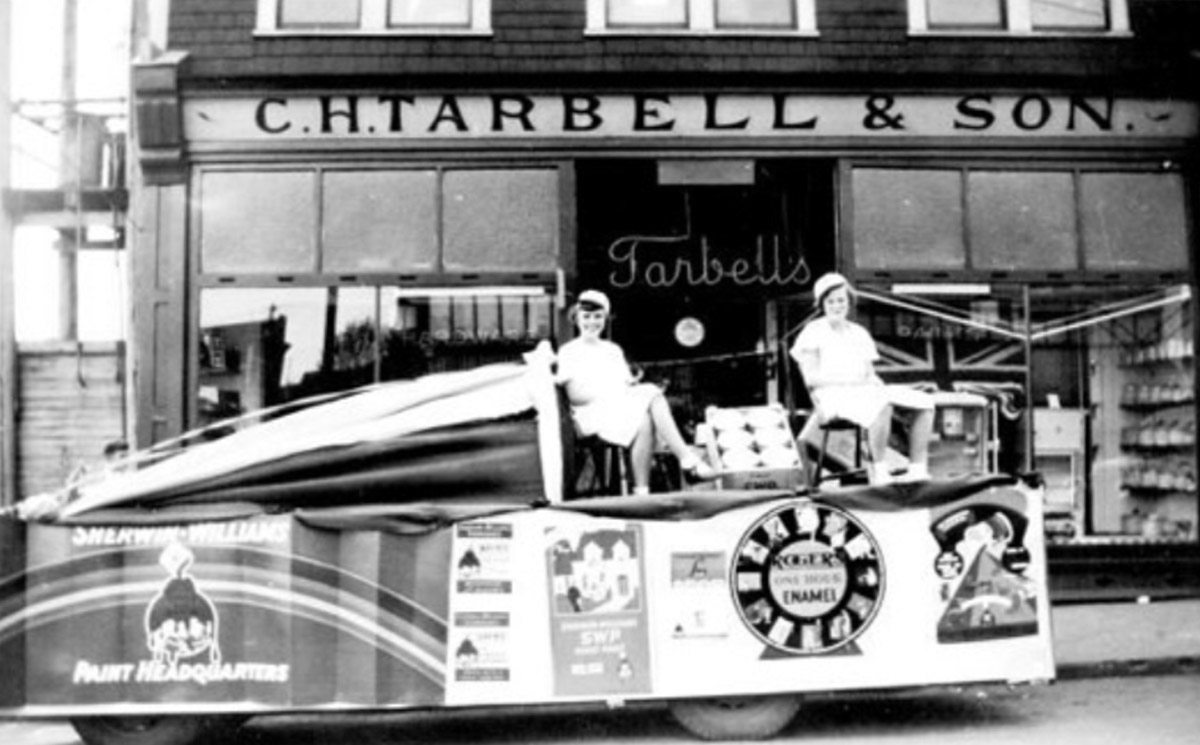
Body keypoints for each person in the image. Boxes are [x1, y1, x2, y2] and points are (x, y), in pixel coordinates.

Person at [553, 290, 716, 494]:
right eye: (586, 317)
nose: (592, 322)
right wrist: (610, 393)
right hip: (589, 417)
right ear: (576, 318)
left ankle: (642, 491)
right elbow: (575, 397)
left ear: (605, 319)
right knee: (650, 392)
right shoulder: (569, 351)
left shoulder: (613, 350)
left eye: (598, 317)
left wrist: (624, 389)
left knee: (645, 419)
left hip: (615, 409)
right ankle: (686, 459)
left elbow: (625, 385)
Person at [790, 272, 934, 484]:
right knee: (881, 404)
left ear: (849, 302)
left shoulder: (859, 333)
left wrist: (879, 386)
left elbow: (870, 375)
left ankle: (917, 469)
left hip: (863, 392)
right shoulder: (813, 332)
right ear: (822, 305)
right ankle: (879, 471)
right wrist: (852, 382)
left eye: (841, 300)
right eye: (831, 302)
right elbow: (811, 380)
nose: (837, 306)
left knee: (924, 401)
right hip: (830, 397)